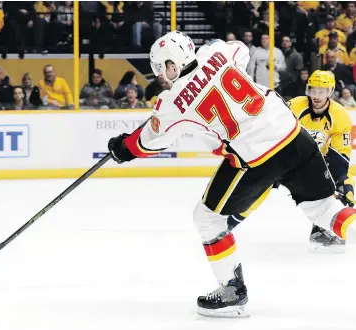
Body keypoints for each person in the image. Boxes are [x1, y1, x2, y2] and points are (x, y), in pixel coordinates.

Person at [106, 31, 356, 318]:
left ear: (173, 65)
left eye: (162, 68)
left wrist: (121, 147)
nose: (162, 76)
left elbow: (147, 142)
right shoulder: (216, 54)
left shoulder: (174, 101)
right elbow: (240, 51)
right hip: (292, 132)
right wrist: (214, 51)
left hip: (258, 155)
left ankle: (232, 290)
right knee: (326, 209)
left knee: (207, 217)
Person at [229, 70, 354, 252]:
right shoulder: (293, 106)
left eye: (321, 91)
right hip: (282, 157)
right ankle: (227, 224)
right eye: (313, 90)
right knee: (256, 189)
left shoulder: (340, 116)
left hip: (313, 165)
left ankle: (322, 229)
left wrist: (338, 183)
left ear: (331, 92)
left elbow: (339, 157)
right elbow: (270, 128)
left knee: (345, 190)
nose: (316, 96)